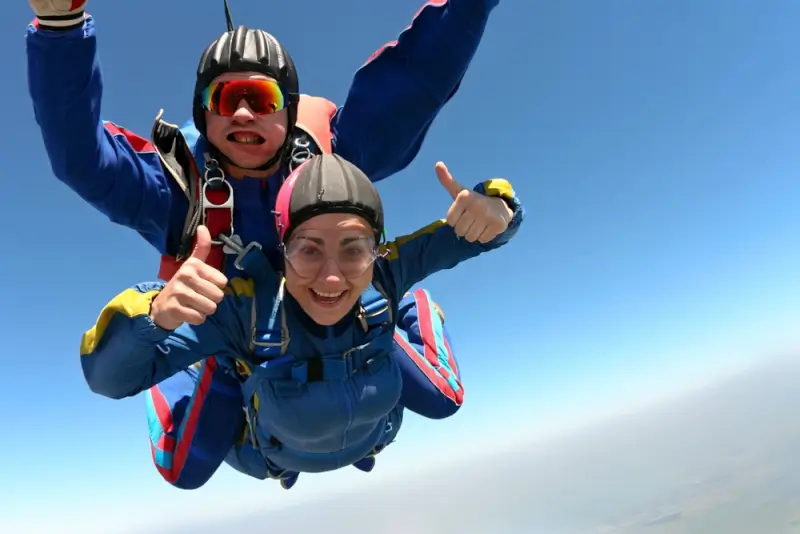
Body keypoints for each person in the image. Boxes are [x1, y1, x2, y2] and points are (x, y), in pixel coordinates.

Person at [26, 0, 501, 487]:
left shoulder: (333, 157)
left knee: (442, 400)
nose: (245, 112)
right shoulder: (174, 193)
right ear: (203, 115)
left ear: (289, 108)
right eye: (225, 98)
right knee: (183, 467)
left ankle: (405, 311)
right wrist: (61, 28)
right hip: (236, 344)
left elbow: (421, 78)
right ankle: (191, 370)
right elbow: (81, 158)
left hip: (348, 321)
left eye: (261, 96)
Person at [80, 154, 525, 490]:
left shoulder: (387, 272)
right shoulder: (244, 310)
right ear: (282, 251)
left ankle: (414, 308)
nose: (331, 276)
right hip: (285, 445)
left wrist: (497, 209)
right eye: (309, 249)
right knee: (182, 468)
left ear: (377, 248)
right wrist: (154, 317)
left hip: (353, 427)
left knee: (445, 399)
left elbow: (481, 231)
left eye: (354, 249)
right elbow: (109, 378)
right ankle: (207, 364)